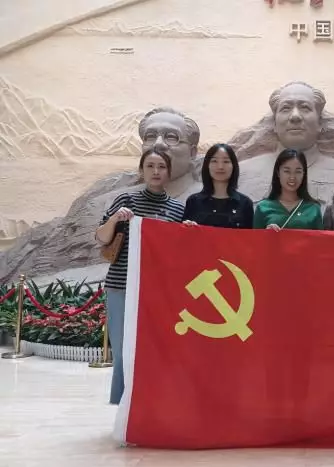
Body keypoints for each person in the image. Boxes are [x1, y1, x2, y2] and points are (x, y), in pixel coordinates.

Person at [95, 148, 185, 405]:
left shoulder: (177, 210)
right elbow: (101, 237)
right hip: (121, 286)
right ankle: (122, 405)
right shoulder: (127, 201)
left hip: (157, 291)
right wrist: (115, 218)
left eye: (161, 167)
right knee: (123, 350)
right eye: (150, 166)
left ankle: (150, 404)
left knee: (154, 349)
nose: (156, 171)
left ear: (169, 172)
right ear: (141, 170)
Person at [182, 143, 254, 228]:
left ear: (233, 166)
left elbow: (249, 235)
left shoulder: (245, 203)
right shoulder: (193, 201)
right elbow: (183, 234)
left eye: (226, 161)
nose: (220, 167)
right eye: (214, 161)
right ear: (207, 165)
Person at [253, 149, 322, 230]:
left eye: (298, 172)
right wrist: (266, 234)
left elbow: (320, 238)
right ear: (278, 173)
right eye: (287, 171)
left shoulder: (313, 208)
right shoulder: (263, 207)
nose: (292, 177)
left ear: (304, 174)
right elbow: (255, 238)